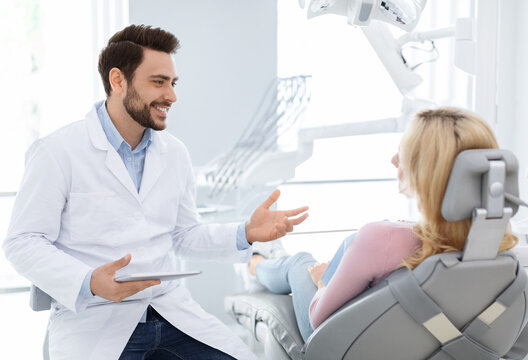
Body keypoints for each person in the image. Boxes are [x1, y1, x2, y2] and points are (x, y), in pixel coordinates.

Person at [3, 25, 308, 360]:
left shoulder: (174, 153)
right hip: (95, 317)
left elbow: (183, 234)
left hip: (167, 309)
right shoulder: (58, 152)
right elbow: (23, 241)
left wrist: (245, 232)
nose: (172, 96)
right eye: (158, 82)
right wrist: (88, 281)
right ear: (118, 81)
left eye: (173, 83)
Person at [249, 107, 518, 342]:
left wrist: (321, 282)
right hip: (442, 346)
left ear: (425, 171)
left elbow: (319, 320)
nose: (392, 161)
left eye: (401, 155)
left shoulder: (383, 238)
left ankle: (255, 264)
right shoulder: (498, 241)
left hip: (348, 344)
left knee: (300, 263)